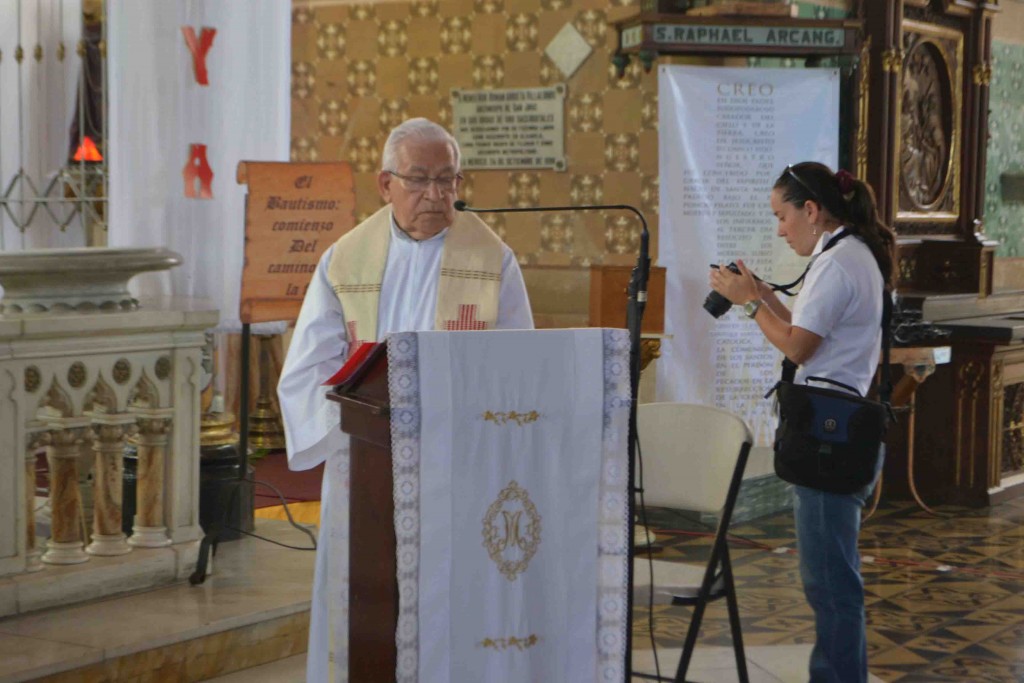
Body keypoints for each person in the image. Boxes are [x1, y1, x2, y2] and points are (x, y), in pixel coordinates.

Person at [277, 118, 534, 683]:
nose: (436, 195)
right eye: (419, 180)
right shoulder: (345, 261)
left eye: (448, 180)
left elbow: (518, 367)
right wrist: (349, 418)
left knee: (452, 591)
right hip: (366, 456)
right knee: (365, 595)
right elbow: (307, 367)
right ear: (384, 184)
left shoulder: (493, 262)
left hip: (458, 460)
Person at [709, 162, 897, 683]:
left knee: (831, 586)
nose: (779, 229)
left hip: (827, 440)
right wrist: (764, 294)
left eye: (782, 215)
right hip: (835, 432)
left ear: (811, 210)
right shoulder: (846, 254)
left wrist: (750, 307)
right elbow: (804, 324)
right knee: (833, 582)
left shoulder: (839, 263)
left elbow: (800, 347)